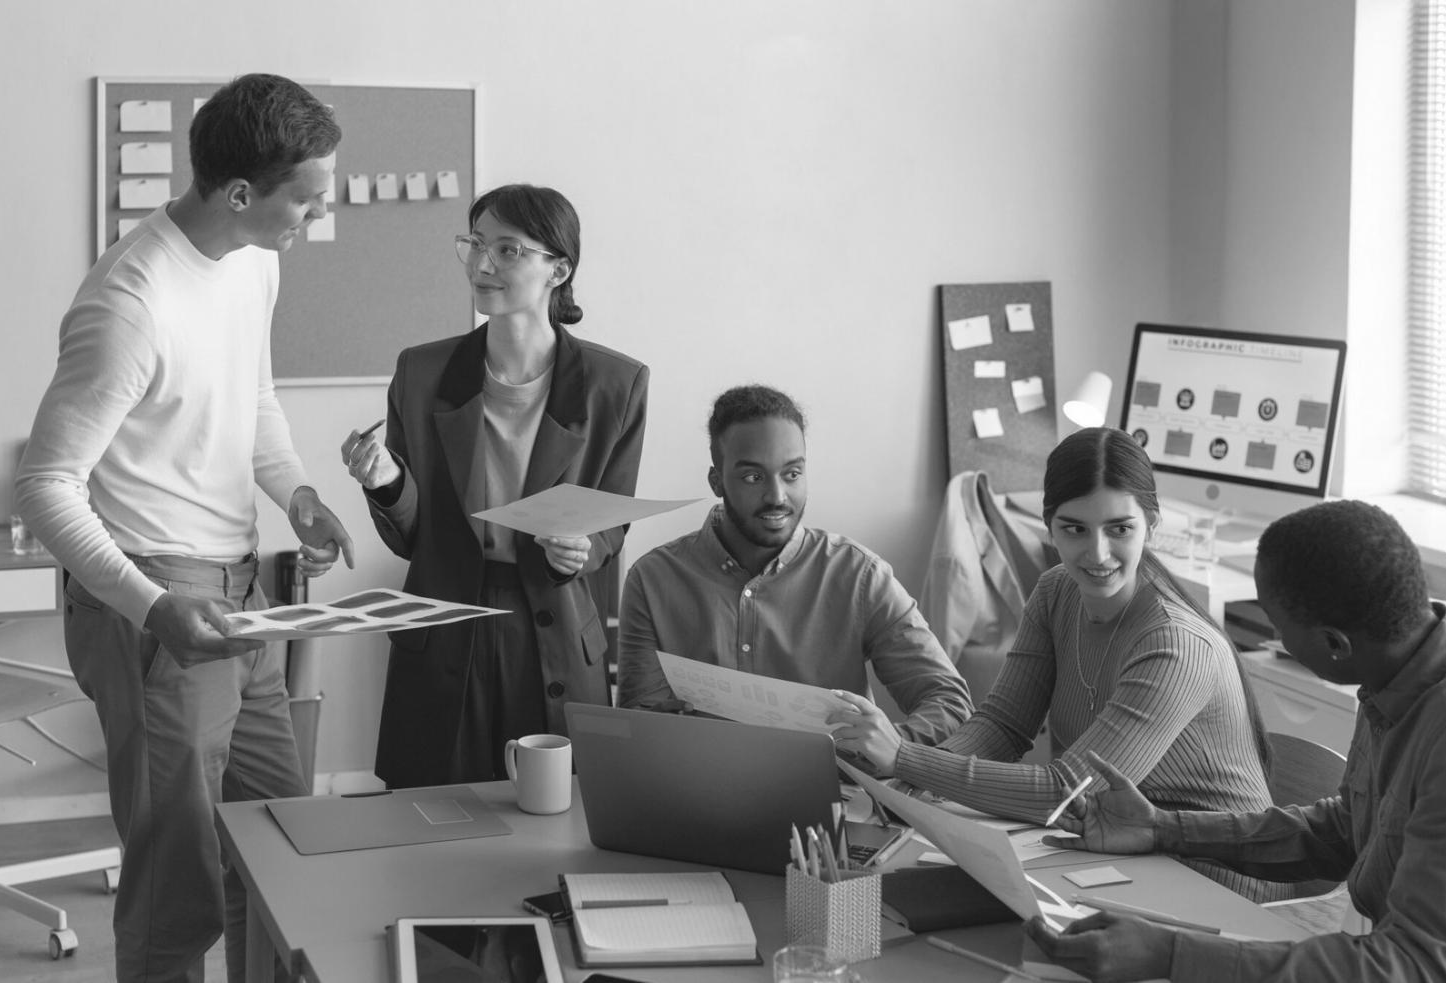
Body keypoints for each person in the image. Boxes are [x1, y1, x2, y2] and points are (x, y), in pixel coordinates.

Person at [15, 74, 354, 983]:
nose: (317, 217)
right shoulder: (129, 303)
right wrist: (150, 604)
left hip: (239, 586)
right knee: (179, 883)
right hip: (158, 590)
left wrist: (298, 493)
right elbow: (43, 485)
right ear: (241, 193)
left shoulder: (255, 255)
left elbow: (254, 396)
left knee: (280, 842)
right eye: (308, 198)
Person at [832, 426, 1284, 900]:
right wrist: (915, 783)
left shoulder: (1176, 645)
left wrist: (907, 758)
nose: (1097, 553)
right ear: (1048, 526)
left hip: (1216, 880)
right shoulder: (1056, 592)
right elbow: (1004, 724)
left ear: (1151, 524)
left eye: (1119, 529)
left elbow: (1066, 791)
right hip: (1112, 852)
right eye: (1074, 529)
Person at [1027, 500, 1446, 982]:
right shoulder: (1392, 677)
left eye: (1279, 629)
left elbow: (1422, 966)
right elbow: (1343, 833)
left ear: (1335, 645)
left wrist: (1171, 954)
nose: (1276, 638)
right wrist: (1162, 828)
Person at [341, 183, 647, 789]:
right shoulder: (421, 372)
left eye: (508, 250)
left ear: (558, 268)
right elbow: (412, 539)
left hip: (554, 626)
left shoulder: (617, 383)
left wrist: (584, 548)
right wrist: (387, 482)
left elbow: (611, 524)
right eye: (475, 244)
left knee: (553, 827)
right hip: (446, 618)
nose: (482, 265)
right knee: (430, 826)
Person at [616, 384, 973, 746]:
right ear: (716, 481)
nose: (776, 496)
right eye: (753, 477)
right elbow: (639, 722)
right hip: (700, 794)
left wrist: (889, 750)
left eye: (792, 474)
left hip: (838, 793)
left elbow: (951, 704)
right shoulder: (653, 580)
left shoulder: (859, 576)